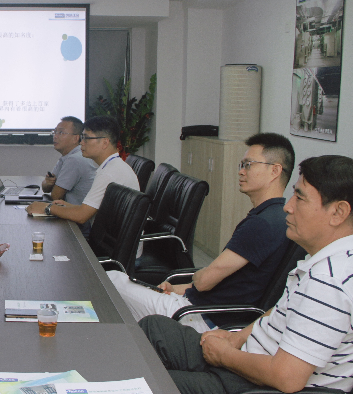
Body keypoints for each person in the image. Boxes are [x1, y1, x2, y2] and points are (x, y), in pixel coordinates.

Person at [139, 155, 353, 394]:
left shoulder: (330, 282)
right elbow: (282, 311)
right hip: (253, 368)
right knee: (154, 329)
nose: (288, 206)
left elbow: (286, 378)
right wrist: (236, 338)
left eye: (300, 198)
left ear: (338, 212)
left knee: (150, 389)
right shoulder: (343, 260)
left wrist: (225, 356)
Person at [108, 132, 295, 333]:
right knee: (122, 287)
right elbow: (223, 279)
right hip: (200, 307)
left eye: (248, 165)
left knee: (111, 279)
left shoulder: (262, 224)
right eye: (241, 165)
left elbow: (205, 281)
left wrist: (198, 279)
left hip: (201, 318)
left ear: (275, 170)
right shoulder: (277, 216)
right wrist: (179, 288)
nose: (241, 172)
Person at [27, 116, 139, 236]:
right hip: (108, 237)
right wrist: (67, 206)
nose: (81, 143)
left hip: (105, 243)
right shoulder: (113, 165)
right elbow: (90, 210)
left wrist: (47, 208)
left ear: (105, 142)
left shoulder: (108, 173)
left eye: (86, 138)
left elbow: (81, 216)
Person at [41, 116, 97, 205]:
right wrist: (48, 183)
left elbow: (55, 196)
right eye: (55, 132)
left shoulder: (75, 159)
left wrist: (50, 186)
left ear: (75, 138)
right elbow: (46, 188)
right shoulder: (67, 156)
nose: (55, 136)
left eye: (61, 132)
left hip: (76, 212)